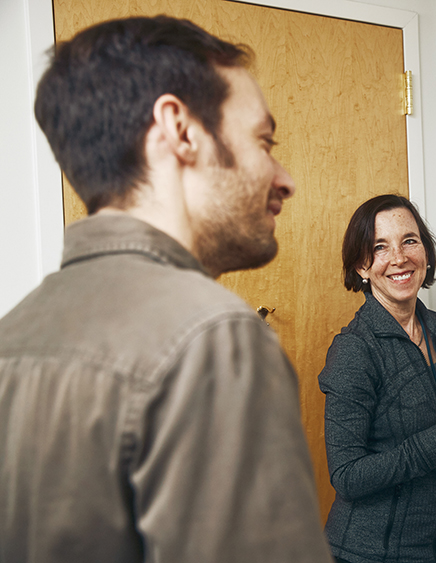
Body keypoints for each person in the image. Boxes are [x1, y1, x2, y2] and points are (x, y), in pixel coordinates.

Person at [0, 16, 333, 563]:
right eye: (263, 141)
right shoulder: (212, 337)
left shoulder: (15, 333)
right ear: (179, 131)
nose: (284, 178)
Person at [318, 194, 436, 563]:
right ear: (361, 266)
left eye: (410, 241)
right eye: (380, 247)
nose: (399, 258)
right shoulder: (354, 350)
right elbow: (347, 476)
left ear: (425, 252)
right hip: (372, 552)